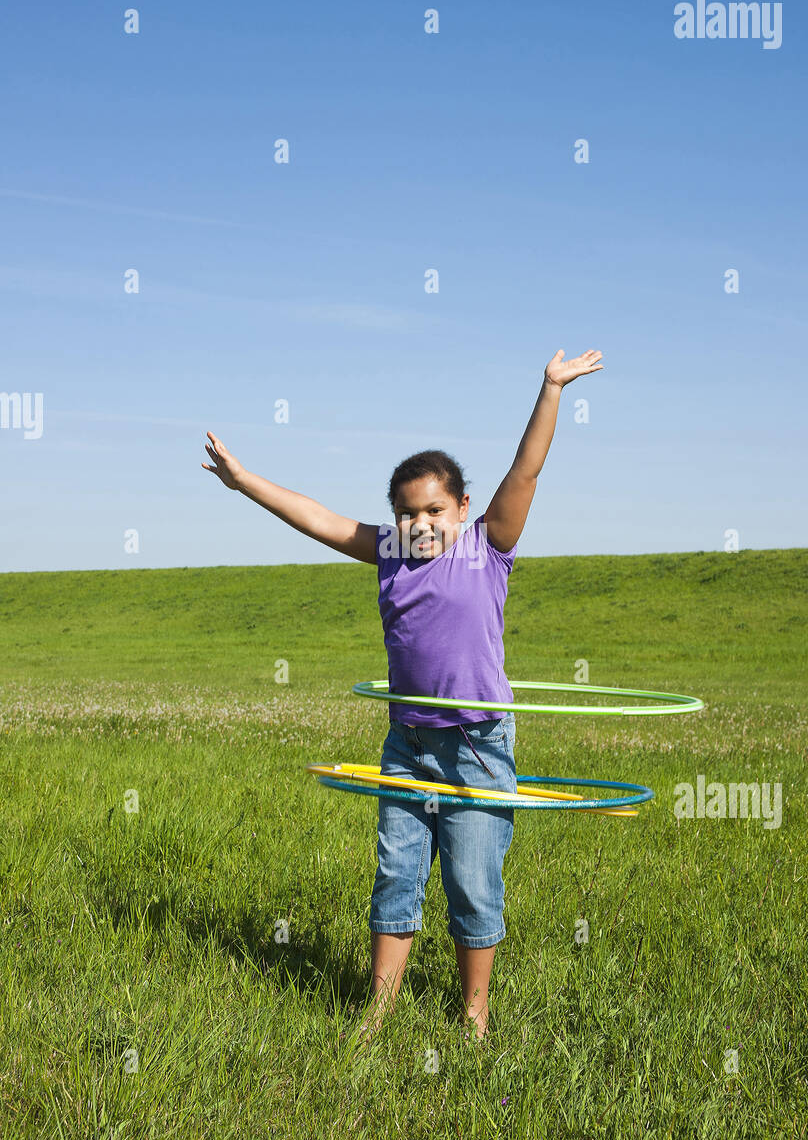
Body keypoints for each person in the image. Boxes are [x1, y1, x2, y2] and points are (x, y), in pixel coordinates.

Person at [202, 347, 603, 1043]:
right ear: (394, 517)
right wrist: (244, 482)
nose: (422, 523)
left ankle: (473, 1014)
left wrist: (550, 390)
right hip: (408, 744)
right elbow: (315, 517)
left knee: (473, 885)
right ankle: (378, 1011)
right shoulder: (387, 554)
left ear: (463, 507)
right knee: (395, 877)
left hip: (477, 745)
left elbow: (527, 471)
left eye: (435, 509)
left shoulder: (488, 546)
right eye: (407, 512)